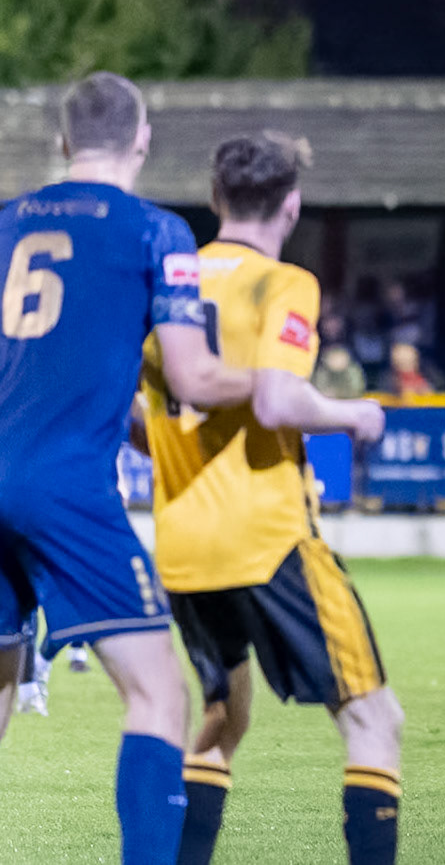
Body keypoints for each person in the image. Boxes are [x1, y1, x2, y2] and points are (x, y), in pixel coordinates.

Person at [0, 74, 260, 863]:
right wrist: (280, 390)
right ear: (142, 141)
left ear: (64, 141)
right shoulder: (156, 231)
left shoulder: (7, 222)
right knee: (158, 692)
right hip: (65, 485)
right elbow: (193, 375)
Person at [137, 132, 398, 865]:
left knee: (223, 718)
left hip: (183, 546)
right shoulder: (283, 283)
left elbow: (139, 420)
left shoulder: (168, 283)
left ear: (215, 198)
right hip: (267, 539)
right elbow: (280, 401)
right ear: (292, 205)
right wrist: (353, 414)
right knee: (374, 720)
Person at [377, 341, 441, 398]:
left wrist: (422, 389)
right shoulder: (389, 380)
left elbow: (432, 393)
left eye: (409, 360)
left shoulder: (427, 374)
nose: (406, 364)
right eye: (402, 362)